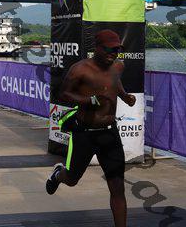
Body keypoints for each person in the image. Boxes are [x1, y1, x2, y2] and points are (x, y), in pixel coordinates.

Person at [46, 29, 136, 227]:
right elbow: (63, 94)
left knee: (117, 188)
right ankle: (58, 174)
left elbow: (115, 82)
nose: (114, 54)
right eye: (109, 49)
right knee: (72, 179)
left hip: (109, 134)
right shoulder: (80, 69)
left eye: (117, 50)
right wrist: (89, 100)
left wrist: (125, 96)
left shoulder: (118, 66)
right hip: (84, 134)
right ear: (97, 48)